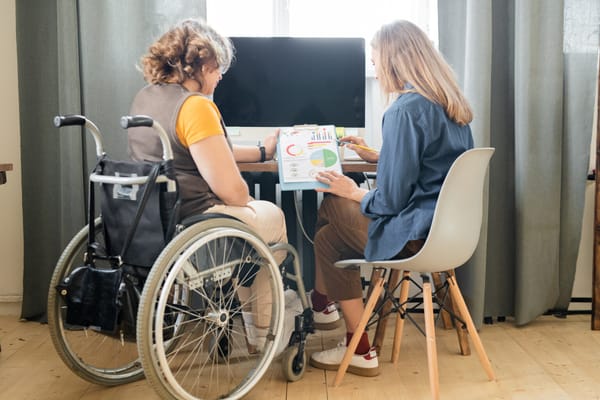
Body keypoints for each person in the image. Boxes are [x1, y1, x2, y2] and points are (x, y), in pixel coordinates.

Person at [308, 20, 475, 377]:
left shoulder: (403, 111)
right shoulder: (453, 106)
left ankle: (325, 308)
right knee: (327, 238)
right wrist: (380, 157)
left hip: (414, 238)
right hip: (447, 234)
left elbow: (393, 200)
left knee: (332, 204)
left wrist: (354, 192)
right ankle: (348, 336)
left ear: (394, 61)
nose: (374, 68)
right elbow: (433, 166)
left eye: (375, 60)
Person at [127, 18, 286, 353]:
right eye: (217, 68)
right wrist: (241, 188)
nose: (221, 76)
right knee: (273, 222)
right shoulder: (196, 105)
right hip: (197, 219)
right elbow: (233, 193)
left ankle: (247, 319)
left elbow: (197, 148)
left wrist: (261, 151)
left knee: (254, 234)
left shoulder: (147, 98)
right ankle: (263, 333)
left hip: (152, 219)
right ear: (200, 64)